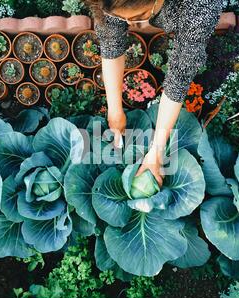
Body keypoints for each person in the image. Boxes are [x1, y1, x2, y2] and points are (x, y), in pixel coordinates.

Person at [85, 0, 223, 185]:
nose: (130, 24)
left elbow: (179, 77)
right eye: (120, 17)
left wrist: (157, 152)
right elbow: (111, 39)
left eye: (138, 17)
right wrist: (115, 112)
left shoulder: (200, 8)